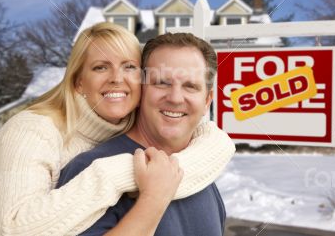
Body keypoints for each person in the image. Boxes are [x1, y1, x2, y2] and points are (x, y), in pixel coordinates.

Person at [0, 23, 235, 236]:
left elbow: (213, 140)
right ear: (79, 82)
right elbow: (13, 229)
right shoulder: (38, 134)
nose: (116, 78)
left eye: (129, 67)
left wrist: (221, 143)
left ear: (207, 100)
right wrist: (129, 179)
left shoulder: (197, 168)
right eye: (161, 82)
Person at [57, 32, 227, 236]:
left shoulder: (201, 171)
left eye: (190, 86)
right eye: (162, 83)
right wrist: (152, 200)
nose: (175, 98)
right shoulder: (90, 169)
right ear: (141, 89)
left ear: (207, 100)